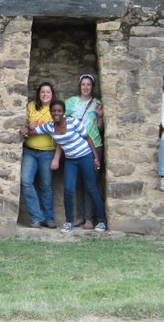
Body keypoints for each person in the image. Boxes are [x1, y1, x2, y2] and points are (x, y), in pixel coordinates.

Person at [23, 100, 107, 233]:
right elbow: (33, 132)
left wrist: (96, 158)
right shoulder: (49, 127)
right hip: (71, 160)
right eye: (54, 111)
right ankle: (69, 222)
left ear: (63, 112)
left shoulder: (73, 122)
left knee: (91, 188)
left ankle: (102, 221)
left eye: (59, 111)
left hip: (85, 156)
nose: (56, 113)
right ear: (50, 113)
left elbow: (88, 138)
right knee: (68, 190)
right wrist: (26, 128)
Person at [65, 74, 105, 229]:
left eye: (89, 84)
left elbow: (100, 128)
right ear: (79, 86)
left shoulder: (97, 104)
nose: (86, 87)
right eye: (83, 84)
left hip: (94, 146)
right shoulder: (71, 102)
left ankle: (90, 219)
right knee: (78, 185)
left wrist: (100, 117)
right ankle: (80, 216)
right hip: (76, 147)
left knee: (91, 184)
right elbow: (63, 121)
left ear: (92, 87)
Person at [18, 82, 57, 228]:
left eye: (48, 92)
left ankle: (49, 218)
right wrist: (28, 125)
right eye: (42, 92)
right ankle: (37, 217)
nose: (45, 94)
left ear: (52, 94)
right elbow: (26, 123)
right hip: (30, 151)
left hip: (48, 152)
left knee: (46, 185)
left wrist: (35, 128)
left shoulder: (55, 109)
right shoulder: (32, 106)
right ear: (39, 94)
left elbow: (54, 129)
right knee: (26, 180)